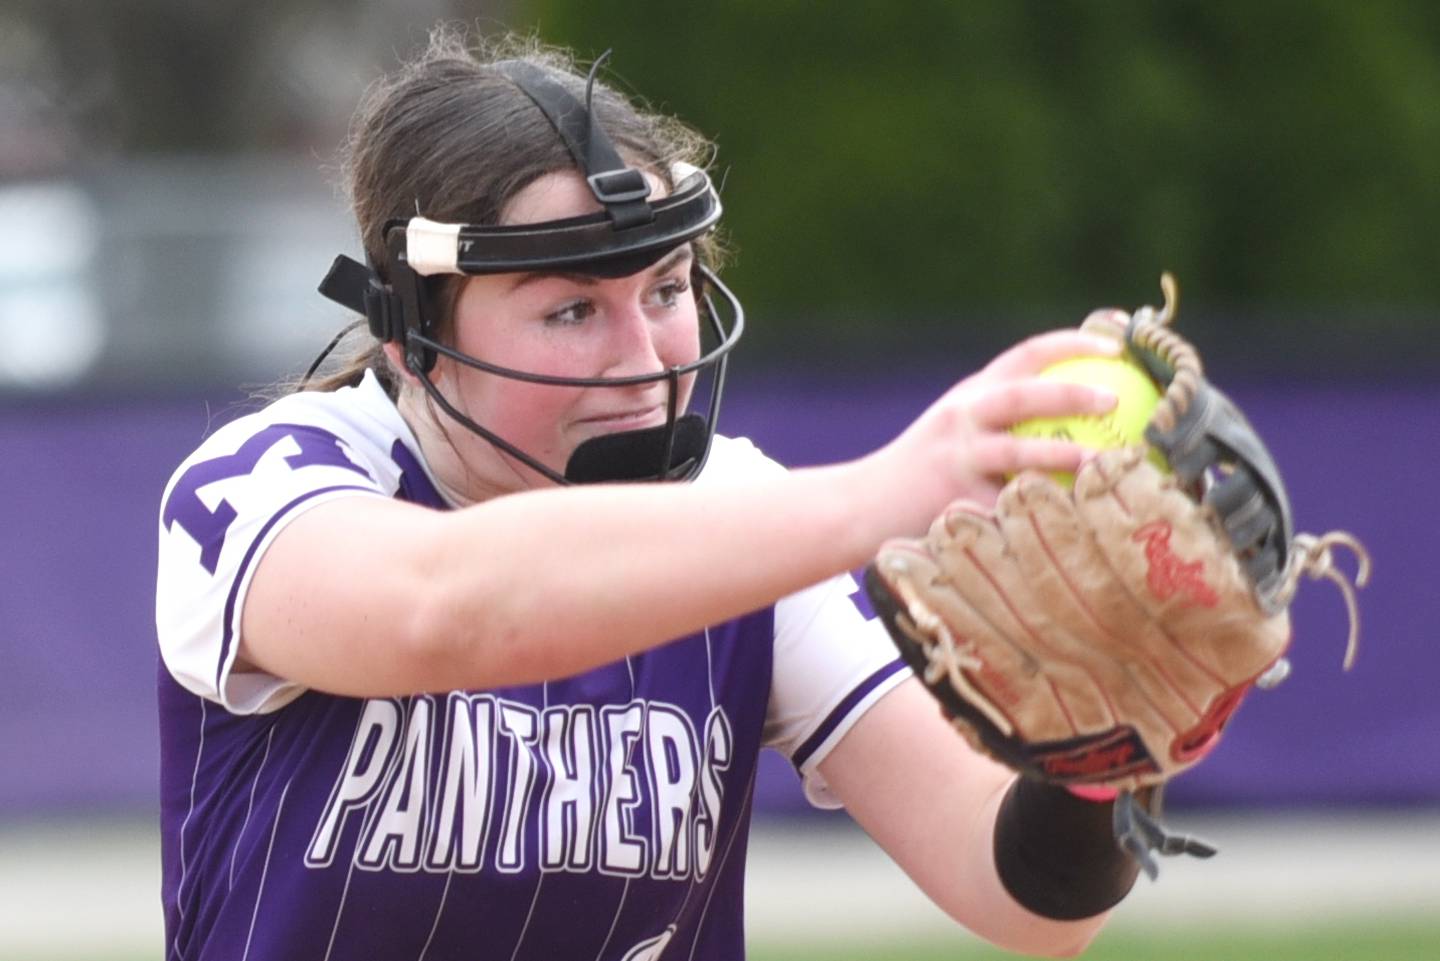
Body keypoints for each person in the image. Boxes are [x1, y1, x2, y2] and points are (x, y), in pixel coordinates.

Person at [155, 28, 1143, 961]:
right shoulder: (268, 484)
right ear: (413, 336)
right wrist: (887, 494)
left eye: (665, 289)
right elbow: (444, 612)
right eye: (574, 308)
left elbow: (1013, 889)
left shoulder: (739, 508)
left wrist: (1103, 758)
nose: (644, 360)